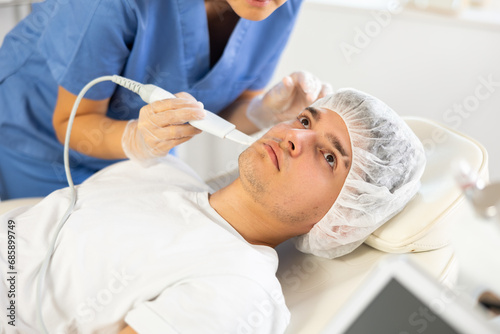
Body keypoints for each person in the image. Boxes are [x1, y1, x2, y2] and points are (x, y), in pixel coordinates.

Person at [0, 89, 425, 333]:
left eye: (330, 157)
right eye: (305, 120)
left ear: (341, 217)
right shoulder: (163, 169)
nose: (295, 136)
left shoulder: (240, 290)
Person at [0, 0, 331, 200]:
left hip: (146, 159)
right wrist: (137, 139)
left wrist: (262, 112)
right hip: (38, 144)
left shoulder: (280, 6)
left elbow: (216, 109)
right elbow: (70, 123)